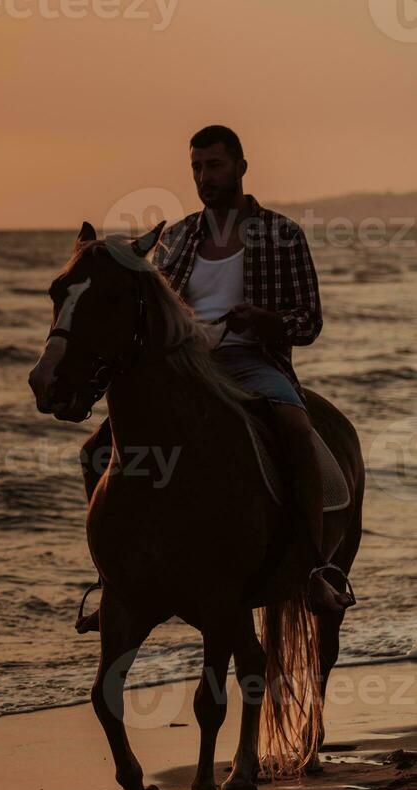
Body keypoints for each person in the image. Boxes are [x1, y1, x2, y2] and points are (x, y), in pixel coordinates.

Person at [76, 125, 355, 631]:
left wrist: (268, 323)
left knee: (295, 430)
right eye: (197, 168)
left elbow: (309, 321)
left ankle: (313, 567)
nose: (205, 177)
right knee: (97, 449)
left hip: (255, 363)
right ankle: (113, 581)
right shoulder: (177, 237)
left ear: (241, 168)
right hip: (188, 368)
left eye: (215, 166)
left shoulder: (282, 233)